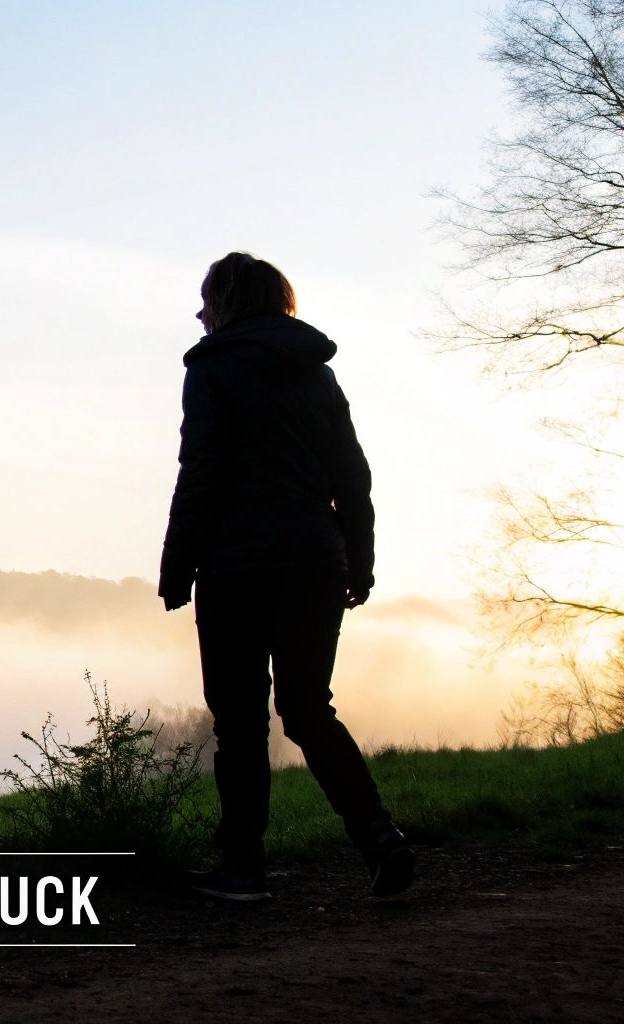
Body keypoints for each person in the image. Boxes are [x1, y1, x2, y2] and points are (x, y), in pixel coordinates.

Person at [159, 251, 414, 901]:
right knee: (307, 710)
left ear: (231, 303)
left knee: (240, 722)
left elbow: (201, 474)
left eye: (208, 299)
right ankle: (380, 837)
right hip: (315, 562)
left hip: (236, 565)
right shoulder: (317, 376)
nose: (199, 312)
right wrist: (360, 561)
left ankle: (243, 868)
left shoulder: (212, 370)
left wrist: (178, 565)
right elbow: (352, 479)